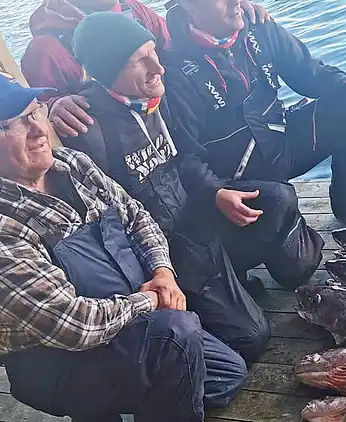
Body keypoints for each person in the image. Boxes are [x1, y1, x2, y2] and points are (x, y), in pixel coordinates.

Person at [58, 12, 323, 360]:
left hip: (198, 223)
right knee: (251, 338)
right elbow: (106, 226)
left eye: (153, 52)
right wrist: (158, 275)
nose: (158, 67)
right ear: (109, 71)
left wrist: (216, 192)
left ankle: (234, 279)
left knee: (277, 198)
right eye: (140, 60)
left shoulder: (158, 97)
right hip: (164, 254)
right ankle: (204, 309)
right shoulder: (88, 128)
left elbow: (189, 157)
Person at [0, 72, 247, 421]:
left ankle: (124, 397)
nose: (39, 129)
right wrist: (150, 300)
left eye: (36, 111)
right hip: (56, 358)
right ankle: (99, 403)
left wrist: (163, 273)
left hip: (131, 321)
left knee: (227, 373)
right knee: (177, 336)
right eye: (15, 124)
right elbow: (74, 325)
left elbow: (137, 217)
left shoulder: (72, 164)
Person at [161, 0, 346, 221]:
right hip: (237, 178)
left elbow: (312, 74)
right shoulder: (173, 68)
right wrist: (215, 191)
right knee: (298, 251)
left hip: (279, 143)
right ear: (191, 7)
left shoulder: (260, 28)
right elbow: (186, 156)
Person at [20, 0, 269, 140]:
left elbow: (181, 52)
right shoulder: (45, 50)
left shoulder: (135, 9)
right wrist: (54, 107)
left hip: (183, 134)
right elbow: (36, 124)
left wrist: (231, 19)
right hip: (127, 165)